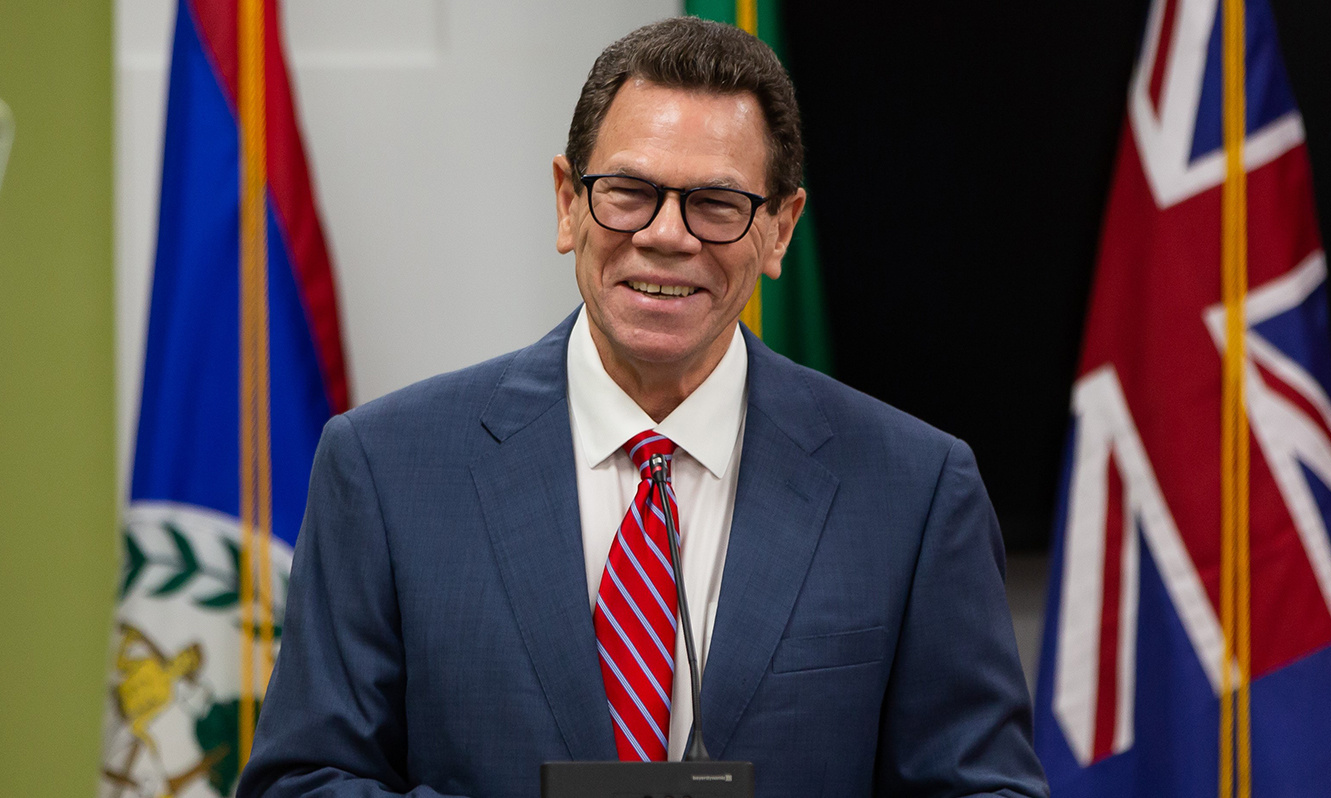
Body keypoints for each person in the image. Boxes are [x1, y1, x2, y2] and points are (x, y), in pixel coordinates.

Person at [239, 17, 1047, 798]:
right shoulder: (387, 469)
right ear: (567, 202)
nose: (666, 236)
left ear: (779, 231)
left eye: (717, 204)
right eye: (628, 192)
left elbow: (986, 789)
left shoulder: (914, 488)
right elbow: (300, 781)